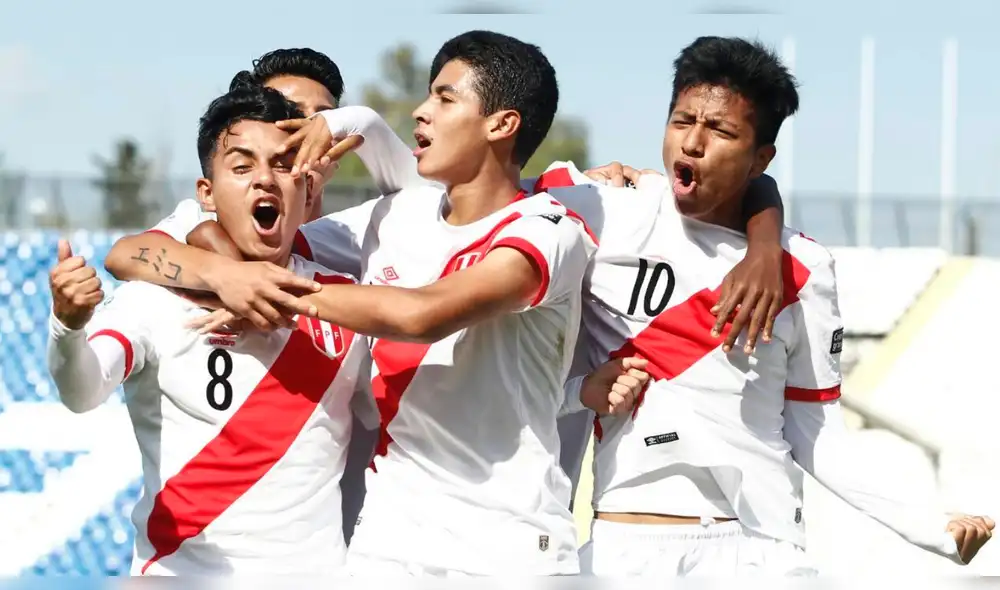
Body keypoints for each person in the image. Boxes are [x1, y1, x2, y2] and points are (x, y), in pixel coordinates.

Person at [542, 36, 994, 576]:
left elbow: (815, 429)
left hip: (758, 550)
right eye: (682, 121)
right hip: (624, 544)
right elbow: (486, 199)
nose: (693, 143)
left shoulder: (803, 268)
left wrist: (922, 523)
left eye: (721, 131)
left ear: (762, 158)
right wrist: (578, 393)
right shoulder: (600, 212)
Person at [46, 85, 367, 575]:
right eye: (242, 167)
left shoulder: (347, 301)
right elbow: (82, 391)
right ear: (206, 193)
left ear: (305, 186)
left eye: (282, 165)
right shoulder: (155, 295)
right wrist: (66, 327)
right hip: (181, 576)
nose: (264, 180)